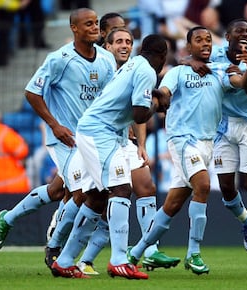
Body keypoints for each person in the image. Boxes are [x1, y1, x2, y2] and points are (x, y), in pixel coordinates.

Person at [0, 8, 116, 270]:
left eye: (96, 23)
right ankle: (56, 248)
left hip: (95, 138)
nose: (95, 28)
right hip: (65, 139)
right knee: (84, 193)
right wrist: (54, 124)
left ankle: (9, 218)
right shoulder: (60, 59)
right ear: (74, 28)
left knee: (59, 190)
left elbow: (110, 98)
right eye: (89, 24)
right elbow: (31, 92)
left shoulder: (106, 59)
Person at [127, 26, 247, 275]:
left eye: (207, 40)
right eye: (198, 40)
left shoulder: (218, 72)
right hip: (182, 140)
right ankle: (193, 253)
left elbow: (241, 83)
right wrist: (158, 98)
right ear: (188, 46)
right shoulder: (178, 72)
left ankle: (136, 252)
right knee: (203, 185)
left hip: (207, 143)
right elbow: (165, 93)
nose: (205, 43)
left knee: (172, 205)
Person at [51, 34, 168, 280]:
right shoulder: (147, 71)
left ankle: (63, 261)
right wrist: (158, 104)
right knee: (122, 189)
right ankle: (119, 260)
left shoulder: (134, 64)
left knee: (96, 197)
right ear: (163, 57)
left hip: (99, 131)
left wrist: (154, 98)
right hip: (99, 133)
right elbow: (139, 114)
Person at [187, 19, 247, 255]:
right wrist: (193, 61)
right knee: (226, 187)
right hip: (223, 126)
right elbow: (186, 60)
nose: (246, 34)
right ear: (228, 36)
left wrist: (246, 70)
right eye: (240, 31)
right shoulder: (215, 53)